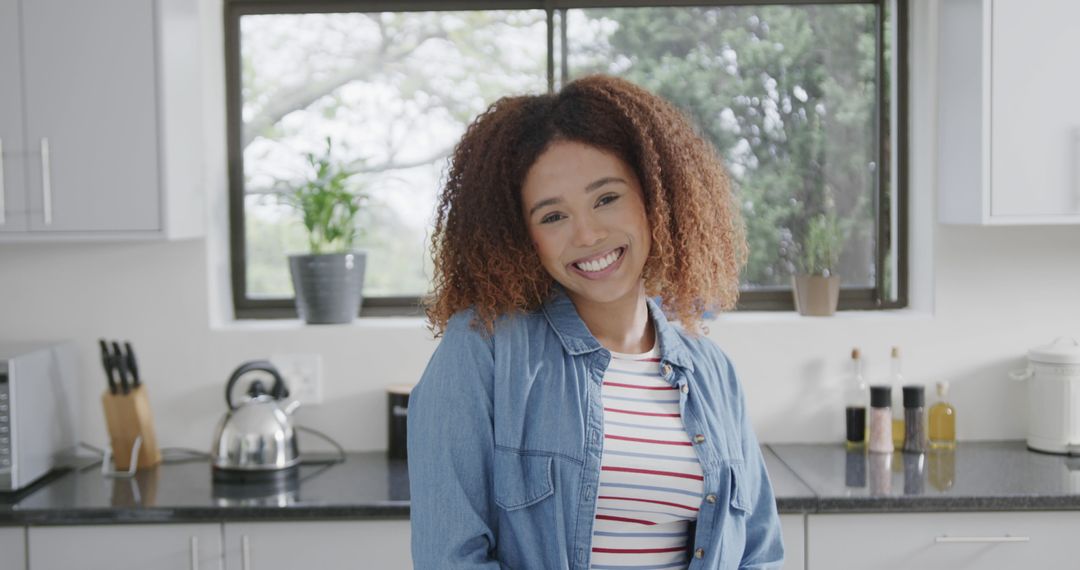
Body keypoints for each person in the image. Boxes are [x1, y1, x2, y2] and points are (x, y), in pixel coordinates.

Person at [408, 74, 783, 570]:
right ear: (521, 237)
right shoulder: (483, 349)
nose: (587, 234)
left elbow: (758, 553)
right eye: (552, 217)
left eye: (606, 198)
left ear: (656, 198)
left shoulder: (713, 372)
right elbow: (449, 559)